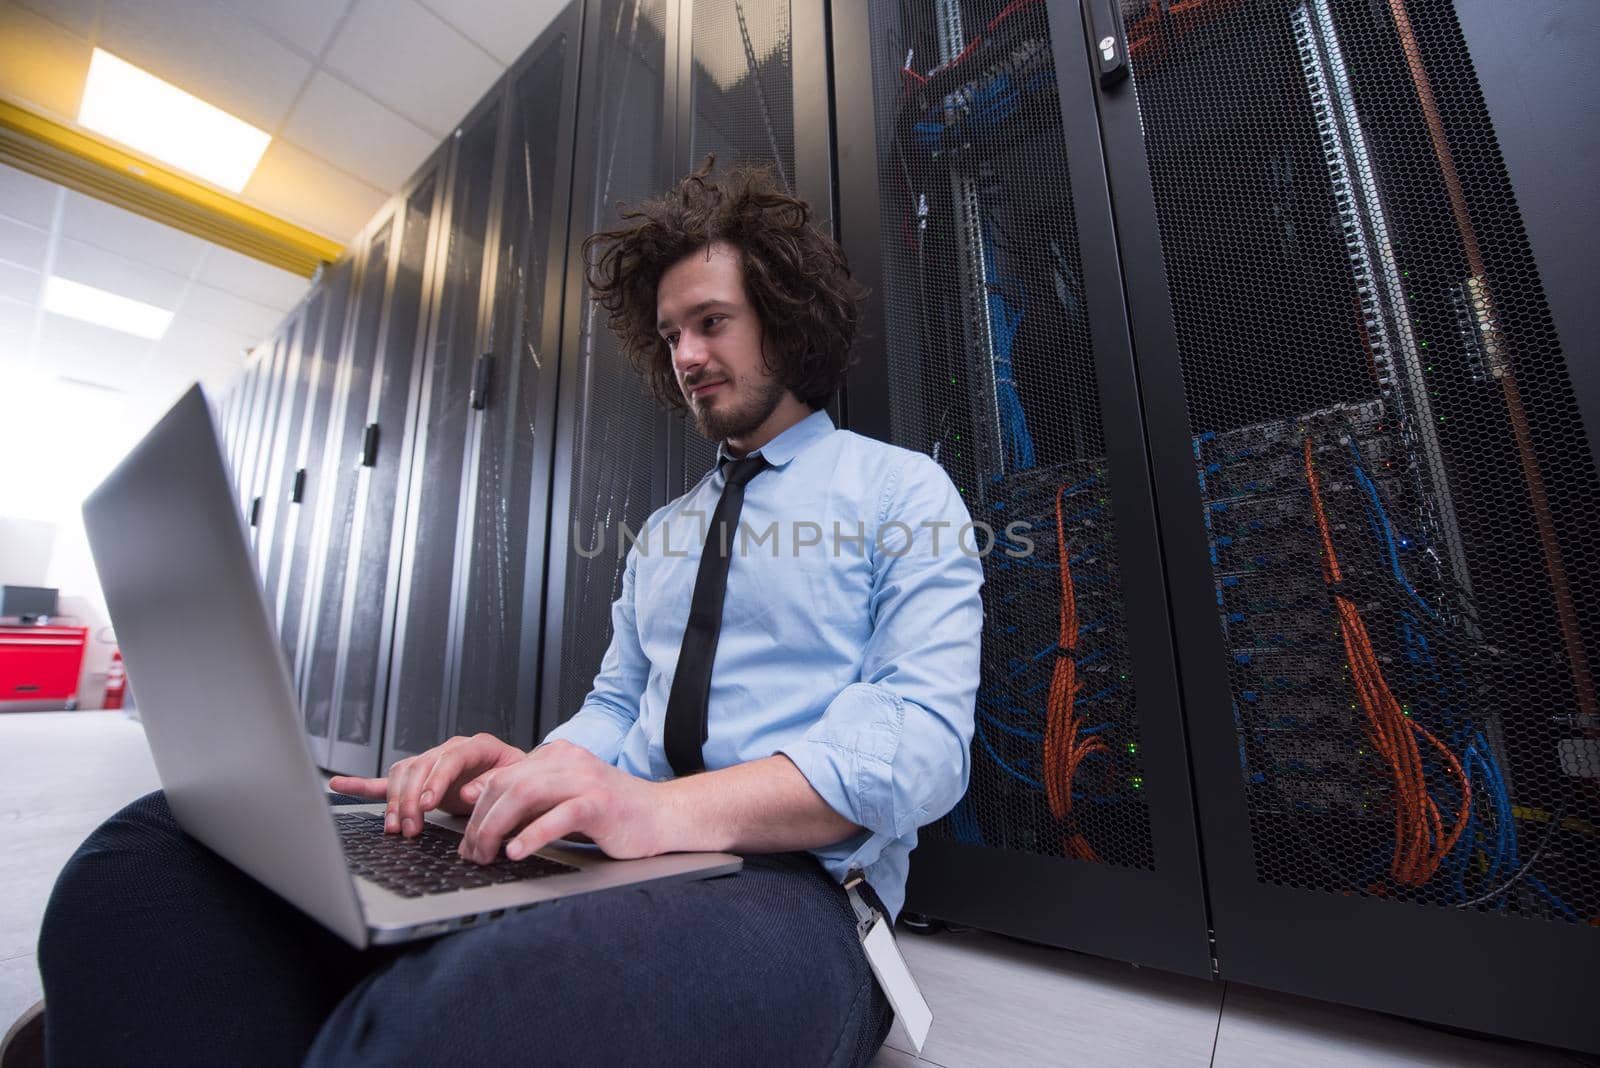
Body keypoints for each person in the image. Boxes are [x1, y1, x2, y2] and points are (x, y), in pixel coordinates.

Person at [31, 161, 983, 1066]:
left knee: (457, 1026)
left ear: (783, 317)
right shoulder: (664, 532)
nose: (687, 356)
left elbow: (923, 743)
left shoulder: (899, 491)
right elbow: (616, 708)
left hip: (798, 894)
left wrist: (659, 812)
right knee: (146, 859)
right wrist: (525, 779)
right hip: (606, 856)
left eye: (712, 322)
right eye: (669, 335)